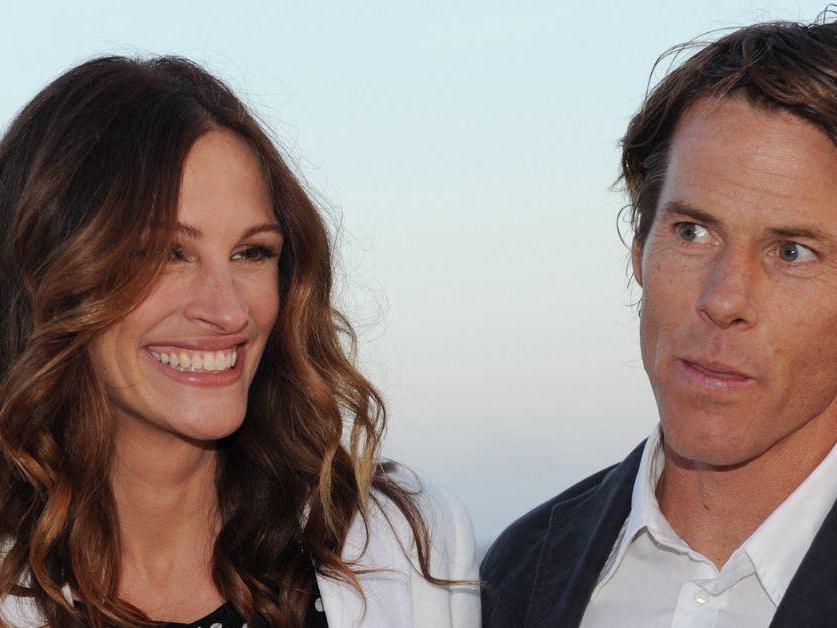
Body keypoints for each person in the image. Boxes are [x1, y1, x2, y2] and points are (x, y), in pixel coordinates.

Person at [0, 56, 479, 627]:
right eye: (169, 254)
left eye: (251, 253)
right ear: (47, 271)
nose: (227, 310)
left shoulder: (404, 544)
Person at [481, 14, 837, 628]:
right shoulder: (512, 578)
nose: (723, 299)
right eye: (693, 232)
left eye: (791, 252)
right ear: (639, 248)